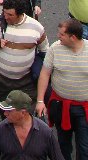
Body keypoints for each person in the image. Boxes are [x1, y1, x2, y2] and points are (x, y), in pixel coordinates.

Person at [0, 0, 48, 106]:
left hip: (26, 82)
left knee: (24, 112)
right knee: (5, 112)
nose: (5, 17)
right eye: (4, 12)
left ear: (20, 14)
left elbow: (44, 52)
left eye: (10, 15)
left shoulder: (36, 28)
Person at [36, 18, 88, 160]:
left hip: (84, 110)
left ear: (73, 37)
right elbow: (45, 74)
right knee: (63, 144)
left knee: (84, 148)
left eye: (62, 34)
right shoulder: (55, 48)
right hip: (60, 106)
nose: (58, 36)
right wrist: (40, 100)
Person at [0, 90, 64, 160]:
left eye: (9, 111)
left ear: (23, 113)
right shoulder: (0, 130)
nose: (5, 113)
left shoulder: (45, 132)